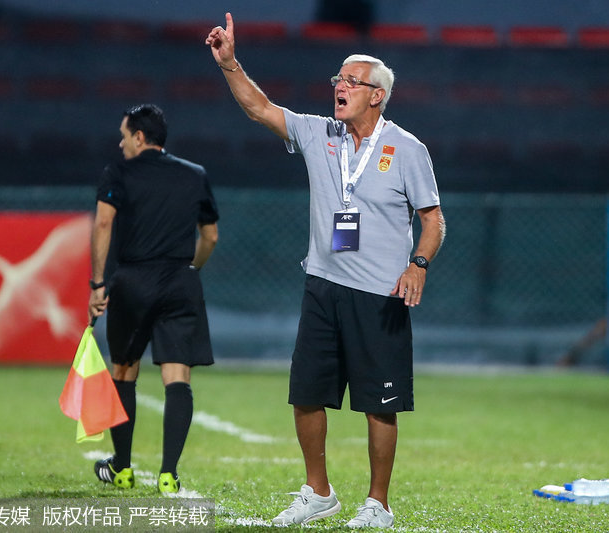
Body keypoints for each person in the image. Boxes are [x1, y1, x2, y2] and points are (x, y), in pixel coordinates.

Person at [206, 14, 445, 529]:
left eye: (352, 81)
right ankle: (318, 492)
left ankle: (378, 503)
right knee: (307, 393)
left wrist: (418, 264)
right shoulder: (321, 134)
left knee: (380, 403)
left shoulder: (408, 150)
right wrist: (230, 64)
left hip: (380, 295)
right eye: (338, 78)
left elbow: (433, 221)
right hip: (322, 286)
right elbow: (260, 108)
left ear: (377, 96)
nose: (340, 86)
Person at [88, 103, 219, 494]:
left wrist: (98, 283)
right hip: (179, 281)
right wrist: (191, 268)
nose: (120, 143)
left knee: (124, 371)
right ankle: (168, 474)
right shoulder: (195, 174)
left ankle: (122, 468)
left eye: (124, 136)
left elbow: (103, 223)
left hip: (133, 281)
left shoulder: (118, 173)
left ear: (140, 137)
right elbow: (210, 236)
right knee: (177, 377)